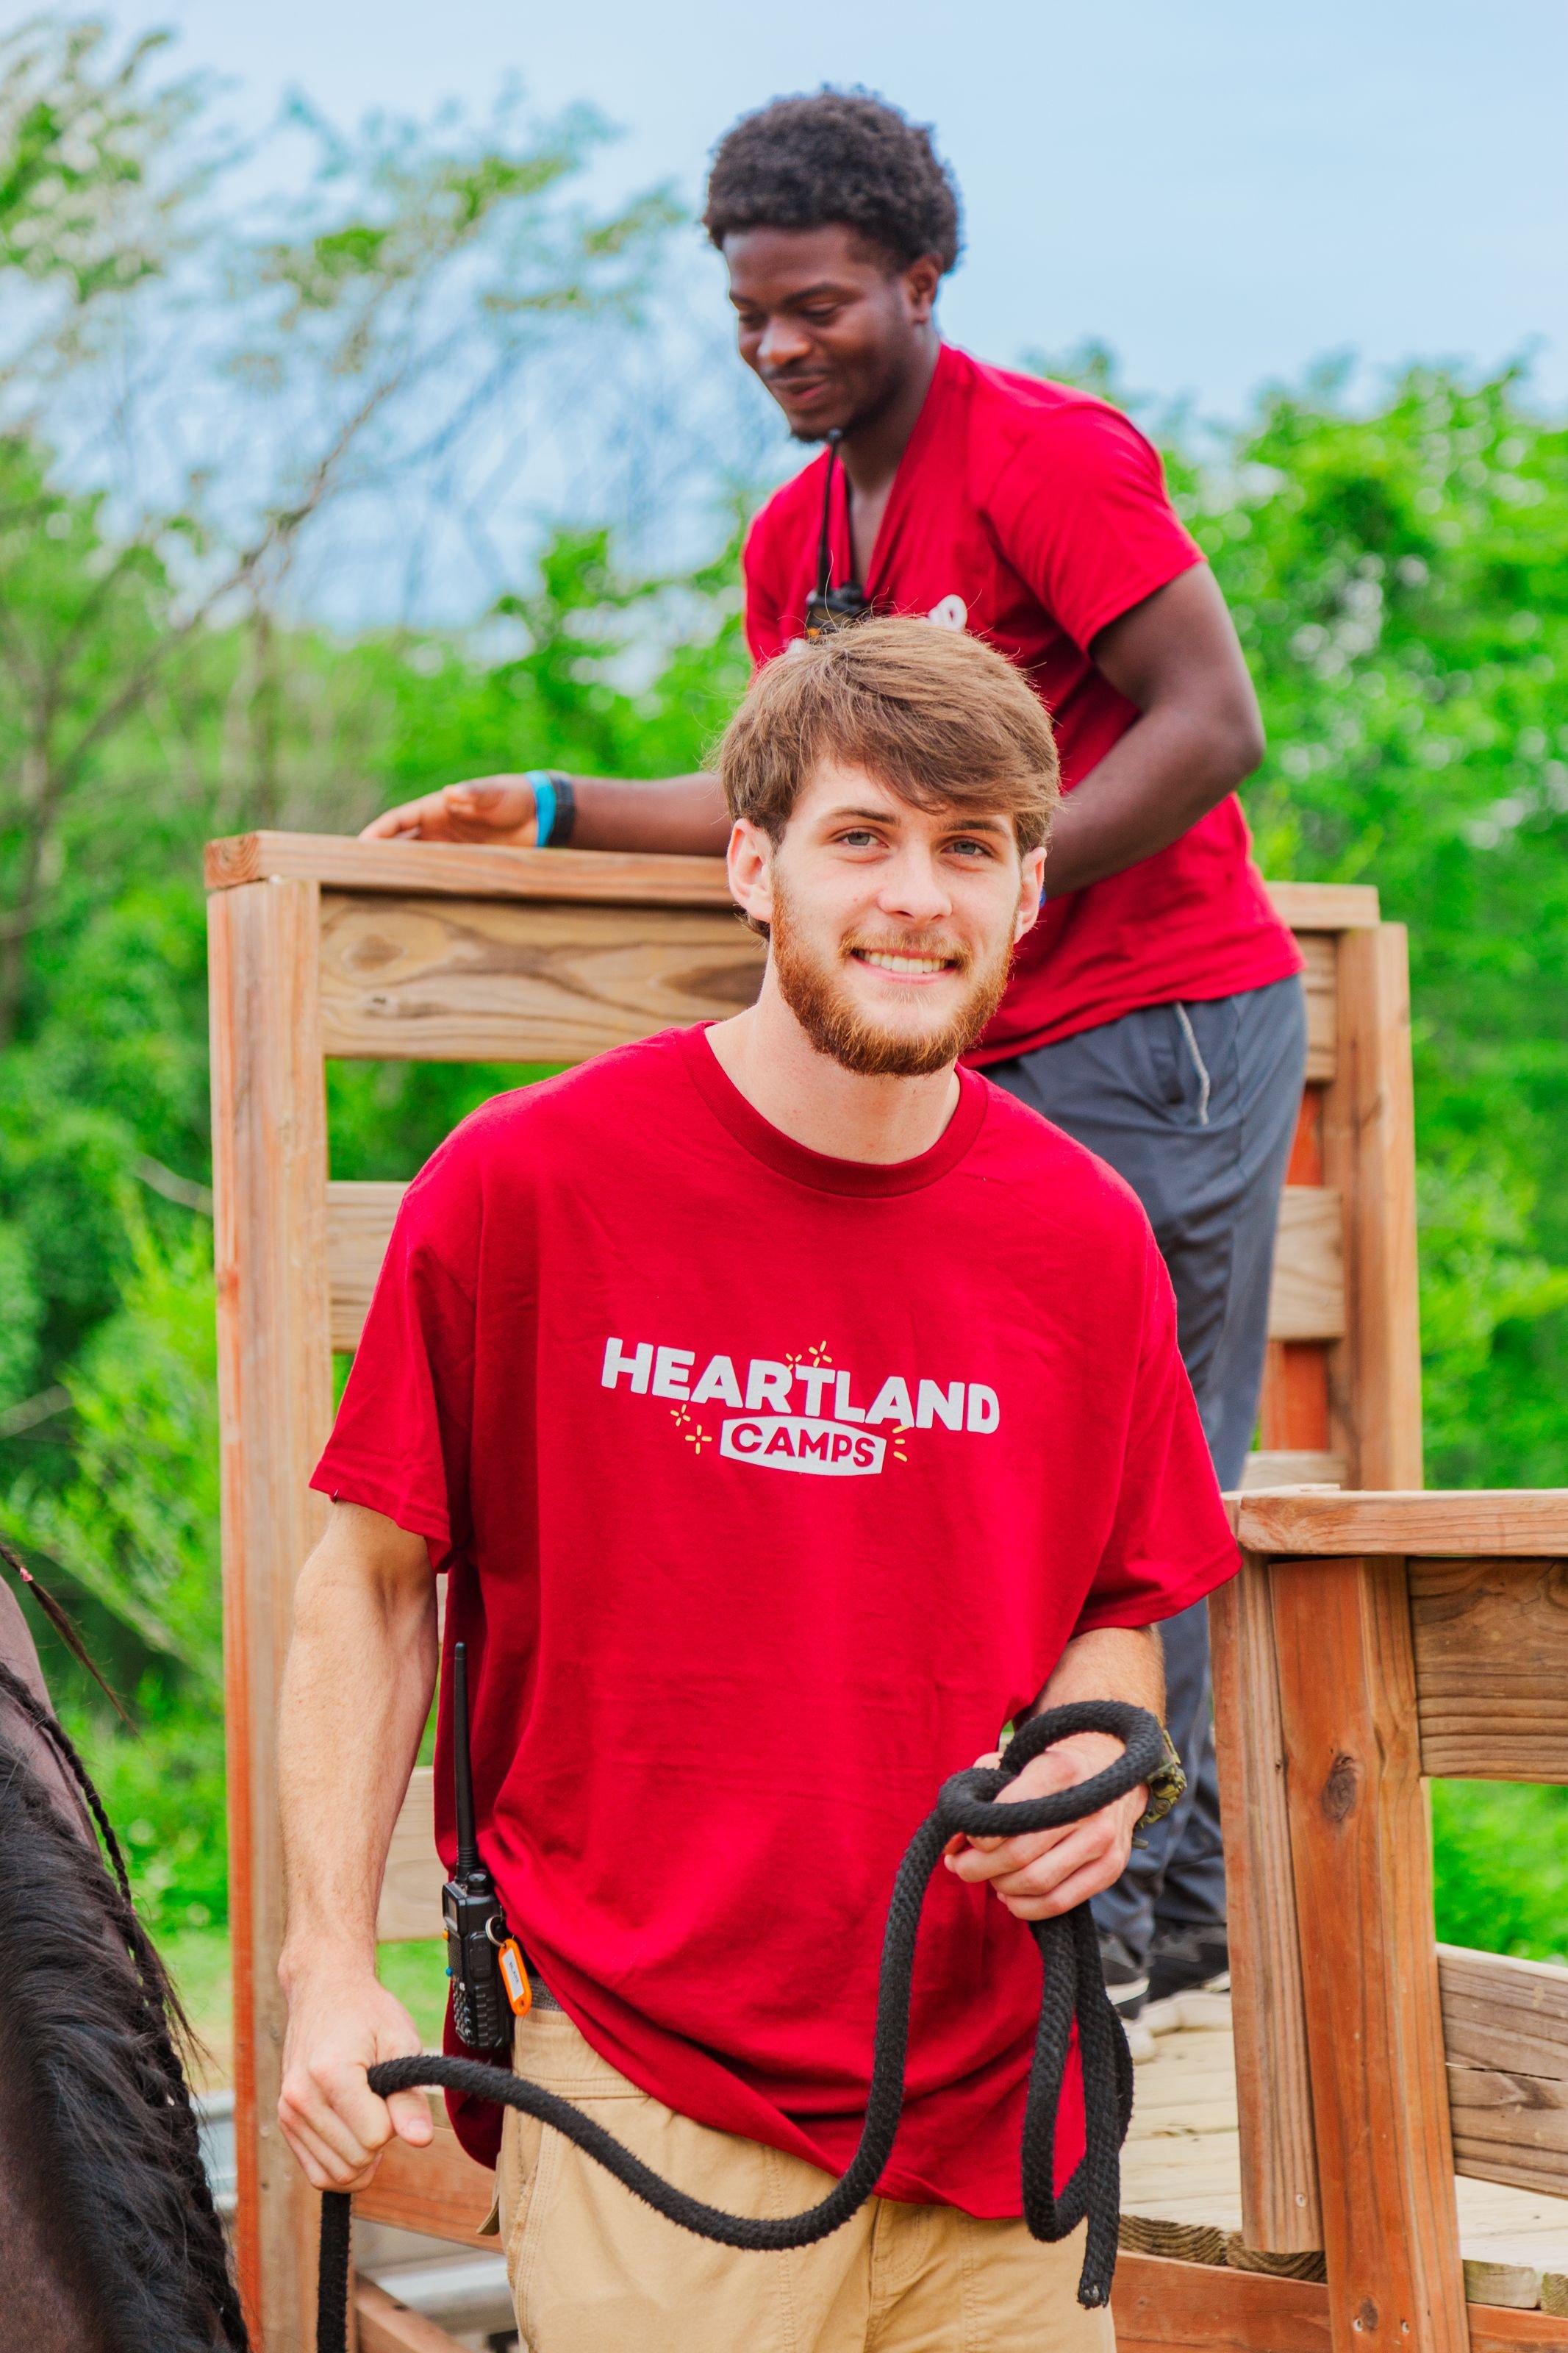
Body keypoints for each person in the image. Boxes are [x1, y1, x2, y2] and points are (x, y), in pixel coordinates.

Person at [359, 93, 1305, 2018]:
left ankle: (1135, 1929)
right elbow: (777, 789)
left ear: (918, 282)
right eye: (749, 316)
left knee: (1119, 1485)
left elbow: (1205, 721)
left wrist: (984, 898)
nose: (782, 346)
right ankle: (1086, 1909)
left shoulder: (1039, 457)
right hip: (981, 1045)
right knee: (977, 1471)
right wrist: (544, 806)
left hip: (1154, 1031)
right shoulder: (799, 528)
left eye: (819, 305)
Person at [280, 619, 1239, 2353]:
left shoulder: (1084, 1237)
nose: (915, 900)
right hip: (650, 2089)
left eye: (970, 850)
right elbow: (364, 1580)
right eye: (860, 837)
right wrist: (323, 1966)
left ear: (1029, 894)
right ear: (750, 866)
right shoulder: (527, 1181)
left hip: (998, 2116)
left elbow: (1116, 1606)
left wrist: (1102, 1763)